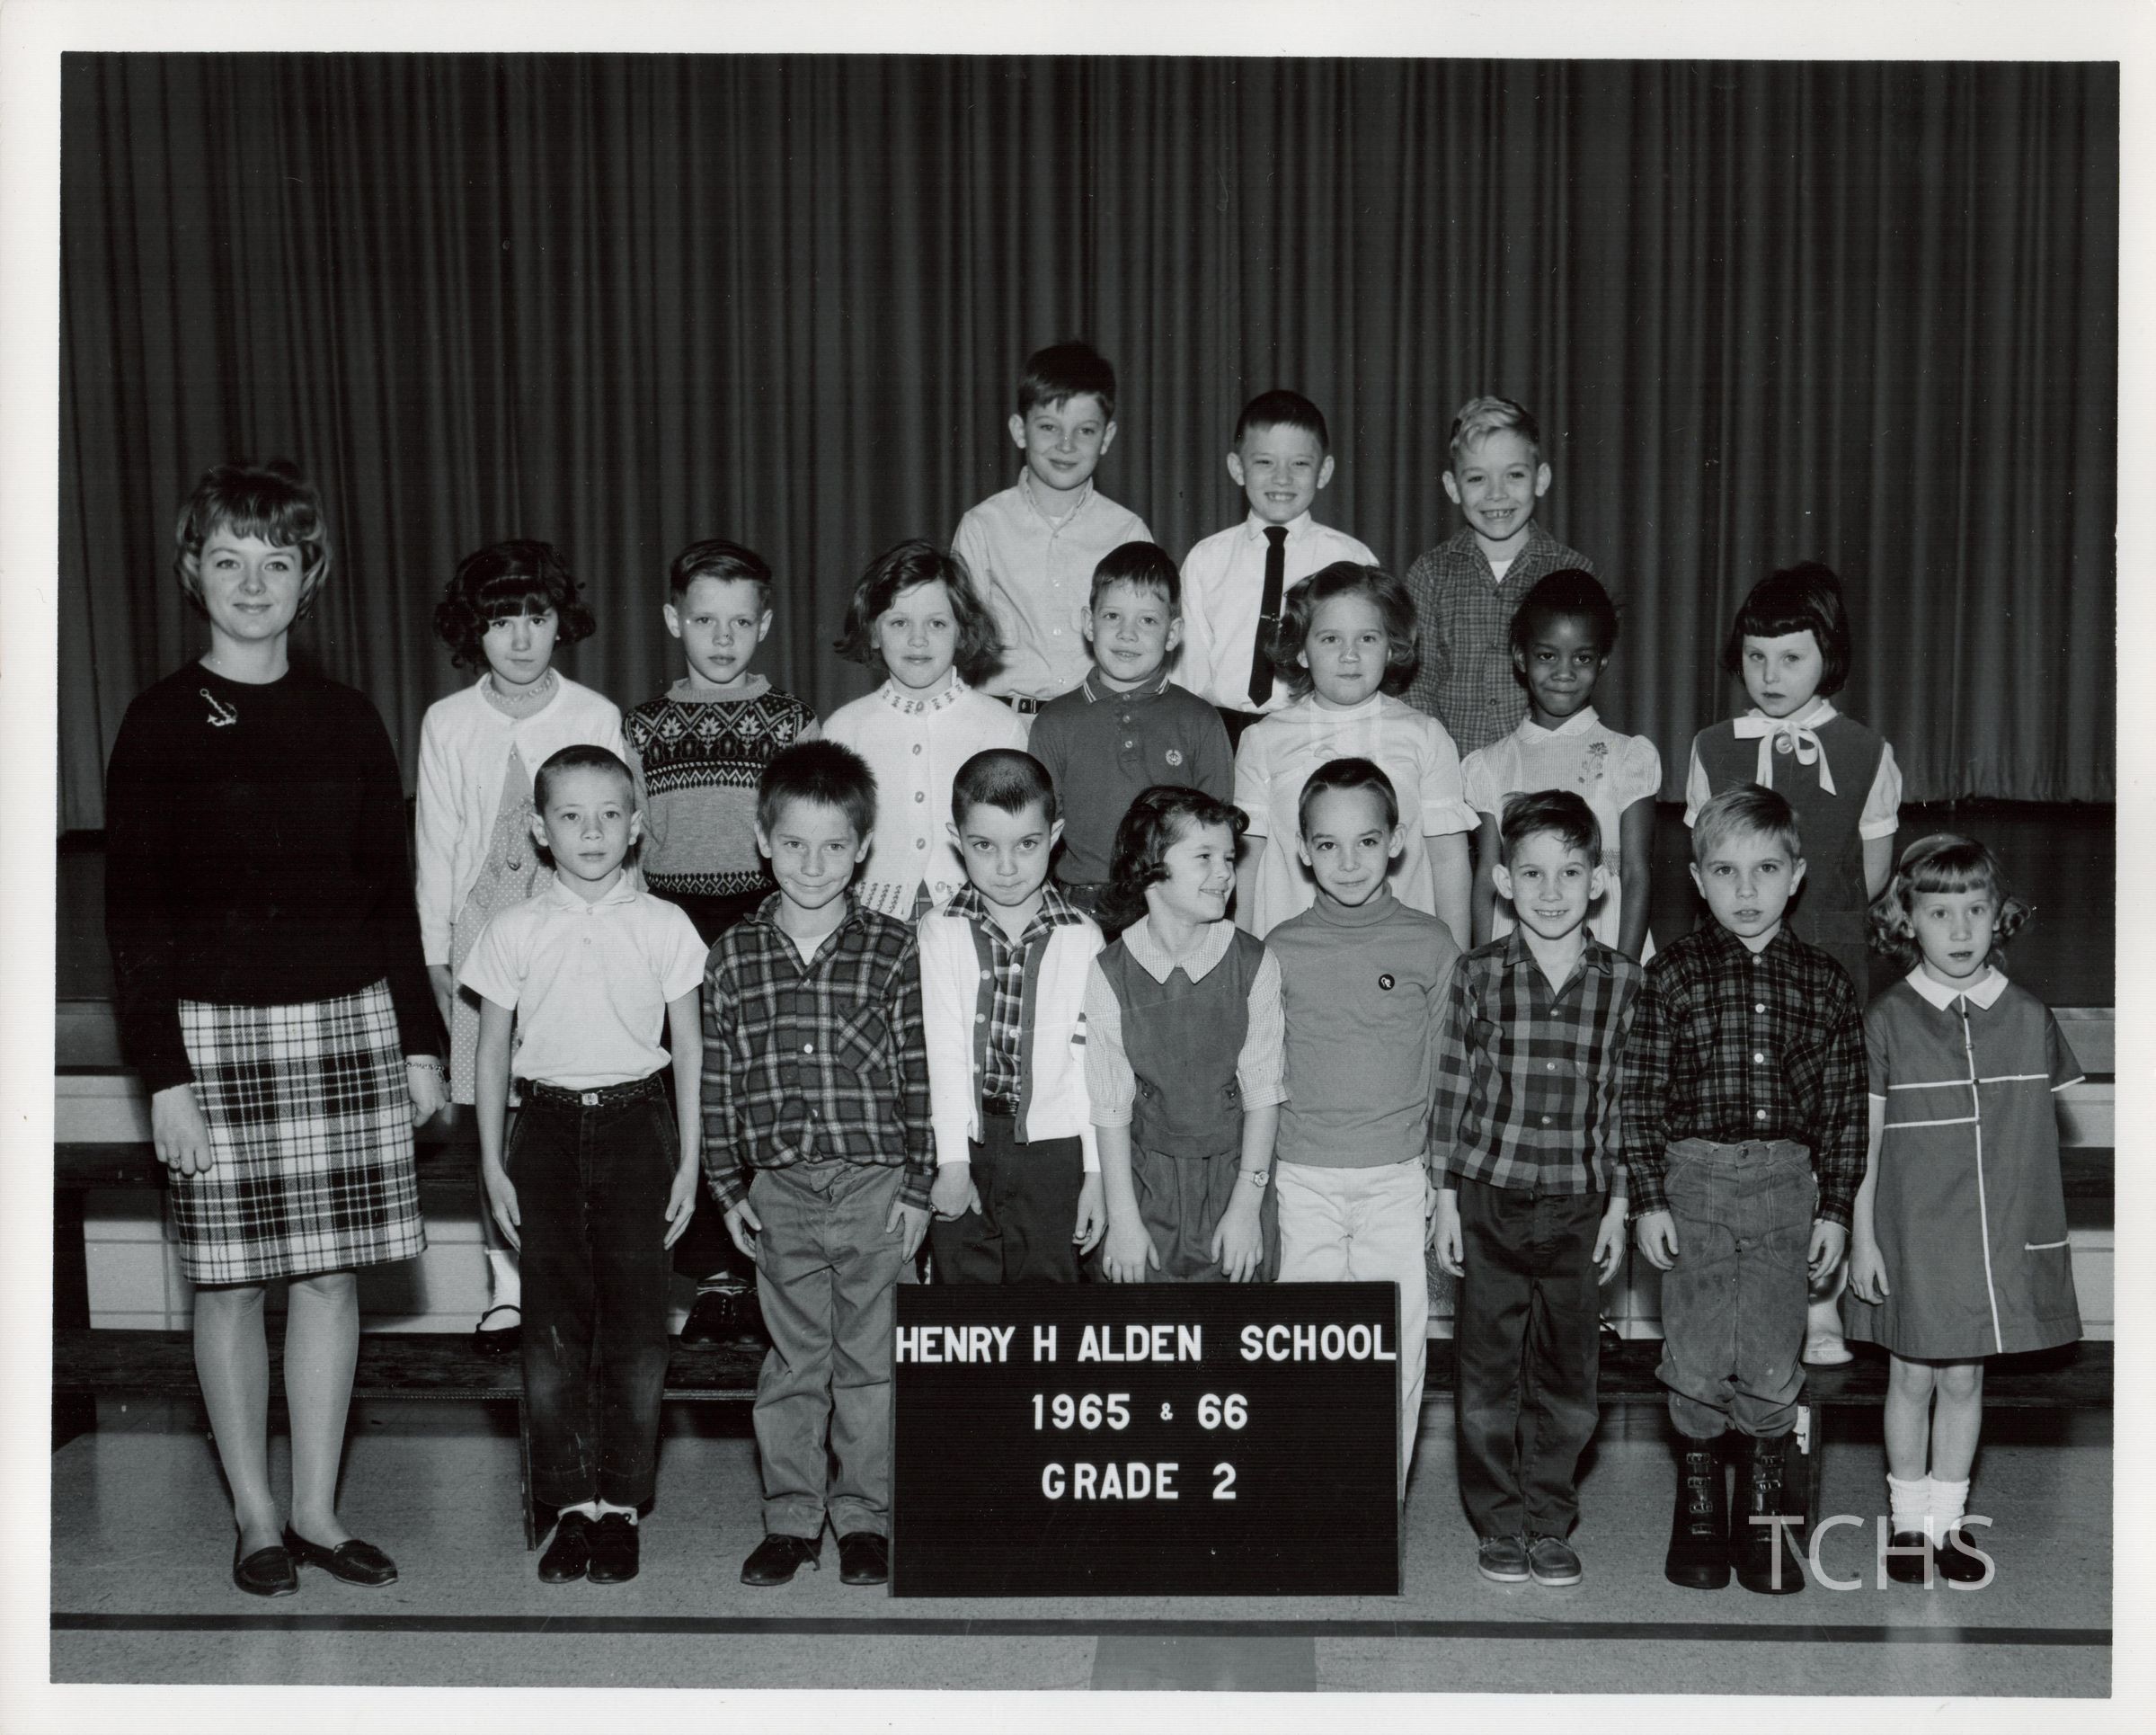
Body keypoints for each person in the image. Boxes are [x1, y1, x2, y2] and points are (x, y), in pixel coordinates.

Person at [103, 459, 447, 1597]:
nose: (253, 584)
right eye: (229, 560)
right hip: (213, 1042)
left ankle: (315, 1509)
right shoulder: (157, 722)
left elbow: (390, 899)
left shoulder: (348, 718)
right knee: (230, 1285)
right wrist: (164, 1076)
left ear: (311, 577)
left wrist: (419, 1041)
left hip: (346, 1025)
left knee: (332, 1278)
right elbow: (134, 917)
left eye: (277, 562)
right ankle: (254, 1513)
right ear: (192, 572)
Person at [461, 746, 707, 1587]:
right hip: (545, 1131)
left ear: (636, 826)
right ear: (540, 829)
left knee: (637, 1330)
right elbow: (491, 1053)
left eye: (609, 815)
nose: (591, 832)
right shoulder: (514, 929)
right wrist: (492, 1162)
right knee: (553, 1329)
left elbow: (689, 1050)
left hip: (640, 1127)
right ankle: (572, 1507)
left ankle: (621, 1507)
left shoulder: (665, 925)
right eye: (571, 816)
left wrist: (690, 1161)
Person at [1621, 784, 1866, 1596]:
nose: (1746, 889)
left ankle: (1764, 1506)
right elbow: (1640, 1096)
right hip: (1692, 1182)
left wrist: (1835, 1209)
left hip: (1786, 1187)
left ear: (1795, 875)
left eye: (1765, 868)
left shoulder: (1824, 982)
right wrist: (1648, 1197)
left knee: (1769, 1353)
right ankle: (1698, 1502)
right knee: (1693, 1354)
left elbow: (1842, 1109)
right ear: (1697, 880)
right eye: (1725, 870)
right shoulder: (1670, 976)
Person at [703, 742, 934, 1588]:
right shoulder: (732, 955)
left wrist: (919, 1185)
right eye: (794, 844)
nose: (812, 864)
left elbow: (920, 1073)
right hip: (779, 1191)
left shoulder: (894, 949)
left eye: (833, 845)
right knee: (795, 1362)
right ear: (763, 841)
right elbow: (718, 1077)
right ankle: (792, 1520)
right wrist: (725, 1184)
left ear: (862, 847)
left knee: (871, 1364)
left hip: (876, 1185)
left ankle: (864, 1519)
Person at [1845, 834, 2082, 1586]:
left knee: (1963, 1382)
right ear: (1905, 920)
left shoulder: (2027, 1016)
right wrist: (1861, 1239)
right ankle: (1906, 1527)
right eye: (1938, 912)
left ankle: (1948, 1526)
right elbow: (1863, 1143)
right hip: (1912, 1235)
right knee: (1910, 1379)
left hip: (1993, 1237)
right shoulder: (1885, 1019)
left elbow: (2035, 1147)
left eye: (1974, 910)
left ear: (1996, 916)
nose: (1958, 929)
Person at [1685, 561, 1901, 1366]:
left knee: (1821, 1126)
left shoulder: (1865, 751)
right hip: (1733, 966)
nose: (1770, 676)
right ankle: (1739, 1295)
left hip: (1827, 963)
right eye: (1755, 658)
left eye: (1791, 658)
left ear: (1827, 658)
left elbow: (1869, 875)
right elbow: (1708, 860)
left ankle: (1818, 1303)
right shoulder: (1712, 748)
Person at [414, 538, 623, 1357]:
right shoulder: (447, 721)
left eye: (535, 617)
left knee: (573, 1107)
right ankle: (507, 1287)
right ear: (475, 631)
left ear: (559, 623)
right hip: (481, 936)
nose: (521, 637)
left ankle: (578, 1283)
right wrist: (437, 957)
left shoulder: (594, 715)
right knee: (494, 1117)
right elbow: (436, 843)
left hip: (574, 933)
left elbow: (618, 837)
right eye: (501, 621)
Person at [1430, 790, 1644, 1588]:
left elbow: (1627, 1102)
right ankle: (1498, 1522)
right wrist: (1443, 1200)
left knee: (1568, 1377)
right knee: (1486, 1373)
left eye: (1570, 872)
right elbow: (1451, 1090)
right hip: (1488, 1197)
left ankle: (1549, 1519)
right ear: (1502, 883)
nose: (1551, 891)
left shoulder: (1625, 983)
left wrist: (1620, 1204)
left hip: (1581, 1206)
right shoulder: (1477, 974)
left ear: (1599, 881)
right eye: (1532, 873)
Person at [623, 538, 819, 1346]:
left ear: (764, 625)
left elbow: (808, 828)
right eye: (705, 620)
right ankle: (711, 1272)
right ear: (674, 621)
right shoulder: (642, 726)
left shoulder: (792, 721)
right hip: (672, 922)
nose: (723, 637)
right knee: (691, 1093)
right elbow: (629, 842)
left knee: (758, 1088)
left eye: (740, 621)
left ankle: (775, 1262)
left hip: (763, 916)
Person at [1265, 758, 1460, 1490]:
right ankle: (1311, 1505)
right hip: (1300, 1177)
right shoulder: (1277, 949)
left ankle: (1375, 1510)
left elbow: (1448, 1075)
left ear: (1397, 842)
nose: (1347, 862)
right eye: (1327, 845)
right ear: (1301, 849)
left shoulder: (1430, 945)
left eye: (1366, 842)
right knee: (1303, 1347)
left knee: (1393, 1350)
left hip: (1395, 1179)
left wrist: (1441, 1186)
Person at [919, 750, 1107, 1281]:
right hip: (966, 1140)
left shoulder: (1083, 937)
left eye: (1026, 844)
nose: (1006, 868)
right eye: (984, 845)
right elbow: (944, 1050)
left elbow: (1092, 1064)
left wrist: (1096, 1173)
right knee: (964, 1303)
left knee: (1048, 1306)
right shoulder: (940, 931)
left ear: (1054, 835)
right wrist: (952, 1161)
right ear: (957, 839)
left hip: (1056, 1152)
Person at [1084, 787, 1284, 1284]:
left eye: (1229, 858)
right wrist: (1124, 1220)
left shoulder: (1255, 962)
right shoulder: (1109, 970)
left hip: (1236, 1178)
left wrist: (1246, 1207)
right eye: (1204, 857)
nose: (1225, 872)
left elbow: (1263, 1094)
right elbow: (1111, 1107)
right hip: (1144, 1183)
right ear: (1150, 867)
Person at [1232, 562, 1476, 943]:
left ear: (1391, 648)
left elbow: (1449, 861)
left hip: (1402, 953)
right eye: (1330, 639)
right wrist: (1241, 959)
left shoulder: (1425, 736)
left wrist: (1457, 962)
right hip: (1293, 954)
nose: (1350, 655)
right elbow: (1247, 865)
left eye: (1367, 638)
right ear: (1302, 651)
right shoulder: (1263, 740)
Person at [1026, 541, 1234, 926]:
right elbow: (1038, 830)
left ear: (1173, 633)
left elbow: (1216, 833)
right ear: (1089, 623)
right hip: (1080, 905)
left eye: (1147, 621)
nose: (1127, 634)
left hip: (1173, 902)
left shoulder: (1200, 720)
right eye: (1112, 616)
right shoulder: (1054, 722)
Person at [820, 540, 1025, 919]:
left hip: (974, 912)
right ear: (874, 633)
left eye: (937, 623)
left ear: (962, 632)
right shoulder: (844, 729)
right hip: (869, 917)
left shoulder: (999, 727)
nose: (918, 639)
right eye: (899, 623)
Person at [1460, 570, 1659, 958]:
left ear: (1602, 661)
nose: (1564, 673)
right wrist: (1483, 970)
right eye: (1547, 656)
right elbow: (1487, 877)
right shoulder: (1489, 765)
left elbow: (1636, 873)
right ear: (1521, 657)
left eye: (1582, 658)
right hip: (1516, 946)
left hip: (1608, 943)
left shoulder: (1629, 757)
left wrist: (1626, 969)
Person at [952, 340, 1153, 714]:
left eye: (1085, 431)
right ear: (1020, 430)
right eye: (1048, 427)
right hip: (1003, 723)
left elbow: (1145, 645)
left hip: (1095, 723)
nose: (1066, 445)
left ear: (1107, 437)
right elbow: (959, 644)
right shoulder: (982, 527)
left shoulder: (1128, 532)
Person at [1176, 389, 1378, 746]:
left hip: (1317, 732)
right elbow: (1188, 671)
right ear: (1237, 468)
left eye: (1299, 464)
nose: (1282, 478)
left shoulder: (1352, 558)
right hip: (1219, 732)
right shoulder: (1206, 559)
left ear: (1324, 471)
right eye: (1265, 462)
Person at [1401, 395, 1598, 757]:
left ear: (1541, 479)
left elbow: (1576, 682)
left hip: (1546, 767)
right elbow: (1417, 684)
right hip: (1452, 770)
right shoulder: (1429, 574)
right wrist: (1442, 764)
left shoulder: (1574, 572)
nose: (1496, 493)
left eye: (1514, 475)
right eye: (1477, 478)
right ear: (1452, 486)